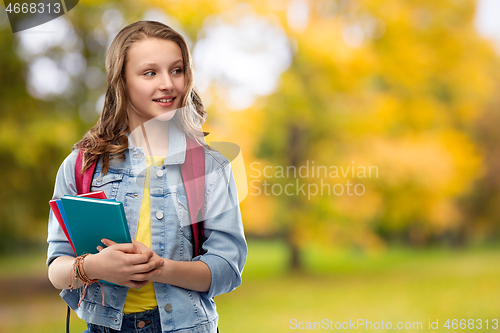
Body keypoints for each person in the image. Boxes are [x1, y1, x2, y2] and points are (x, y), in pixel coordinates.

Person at [46, 20, 247, 333]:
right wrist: (93, 267)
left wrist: (158, 268)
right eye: (150, 72)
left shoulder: (209, 168)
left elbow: (227, 269)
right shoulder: (81, 165)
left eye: (177, 70)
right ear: (121, 81)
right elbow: (57, 267)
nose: (168, 83)